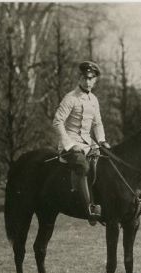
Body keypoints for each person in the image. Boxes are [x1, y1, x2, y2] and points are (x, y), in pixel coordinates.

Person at [53, 61, 110, 226]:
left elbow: (97, 123)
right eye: (85, 78)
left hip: (89, 143)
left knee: (106, 162)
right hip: (70, 144)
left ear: (95, 81)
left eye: (91, 78)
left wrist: (101, 141)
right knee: (83, 166)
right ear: (80, 78)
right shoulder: (70, 98)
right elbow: (57, 122)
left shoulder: (94, 100)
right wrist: (70, 145)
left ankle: (103, 204)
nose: (88, 81)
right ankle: (89, 209)